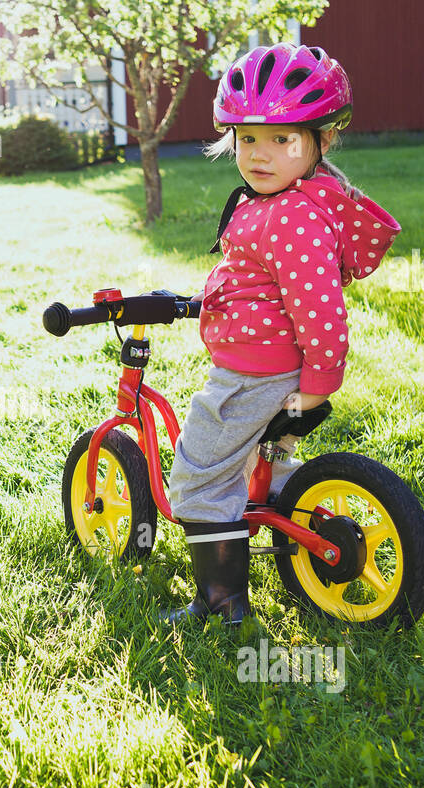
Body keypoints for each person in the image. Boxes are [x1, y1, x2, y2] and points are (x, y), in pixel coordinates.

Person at [165, 43, 402, 625]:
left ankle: (220, 603)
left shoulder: (292, 216)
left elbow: (320, 309)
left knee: (199, 473)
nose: (259, 154)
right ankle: (296, 530)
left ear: (320, 142)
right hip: (266, 369)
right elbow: (259, 282)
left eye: (281, 139)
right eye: (248, 138)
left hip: (255, 378)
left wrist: (319, 384)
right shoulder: (278, 200)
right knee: (262, 473)